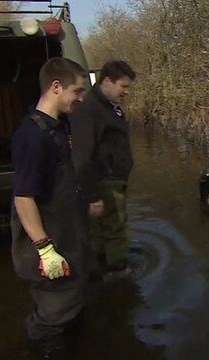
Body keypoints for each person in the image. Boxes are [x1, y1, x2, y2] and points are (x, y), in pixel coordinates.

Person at [10, 57, 88, 354]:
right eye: (78, 91)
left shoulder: (59, 125)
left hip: (67, 234)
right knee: (50, 321)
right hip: (49, 245)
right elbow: (23, 197)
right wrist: (45, 249)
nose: (81, 99)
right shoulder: (32, 137)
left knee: (73, 307)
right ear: (57, 87)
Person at [70, 60, 136, 281]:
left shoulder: (109, 107)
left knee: (103, 230)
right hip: (104, 182)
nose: (126, 92)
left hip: (113, 179)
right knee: (115, 229)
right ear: (107, 81)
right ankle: (118, 272)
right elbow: (81, 157)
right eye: (123, 87)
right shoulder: (89, 110)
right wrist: (93, 196)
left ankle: (100, 271)